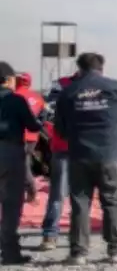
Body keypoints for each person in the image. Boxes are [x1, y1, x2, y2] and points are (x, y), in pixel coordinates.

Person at [54, 52, 117, 265]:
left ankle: (78, 252)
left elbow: (60, 130)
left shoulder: (69, 92)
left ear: (79, 69)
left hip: (79, 154)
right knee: (111, 201)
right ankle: (115, 251)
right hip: (110, 154)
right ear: (102, 67)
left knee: (80, 202)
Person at [0, 62, 45, 265]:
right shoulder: (16, 100)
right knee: (10, 204)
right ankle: (9, 253)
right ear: (9, 80)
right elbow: (32, 125)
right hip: (10, 153)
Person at [36, 75, 75, 251]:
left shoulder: (63, 85)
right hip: (67, 147)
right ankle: (51, 234)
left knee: (69, 194)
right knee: (61, 193)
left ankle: (72, 237)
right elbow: (49, 112)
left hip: (74, 147)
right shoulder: (62, 84)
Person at [12, 73, 47, 191]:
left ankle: (30, 189)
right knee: (24, 162)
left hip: (15, 136)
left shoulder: (12, 96)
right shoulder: (38, 97)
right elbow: (43, 118)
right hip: (32, 137)